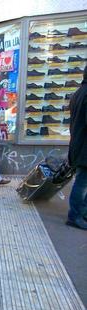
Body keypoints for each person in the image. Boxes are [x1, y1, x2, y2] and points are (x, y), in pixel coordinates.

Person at [67, 64, 87, 230]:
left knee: (82, 179)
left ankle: (81, 212)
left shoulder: (78, 93)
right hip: (84, 145)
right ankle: (75, 215)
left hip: (78, 142)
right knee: (82, 181)